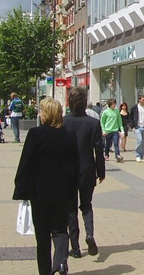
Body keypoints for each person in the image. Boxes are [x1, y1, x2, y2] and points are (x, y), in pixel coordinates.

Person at [13, 97, 79, 275]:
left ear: (47, 114)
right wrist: (74, 191)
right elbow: (75, 165)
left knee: (42, 236)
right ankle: (61, 263)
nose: (39, 114)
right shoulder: (69, 135)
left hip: (40, 192)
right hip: (63, 192)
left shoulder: (35, 134)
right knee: (60, 230)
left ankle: (45, 271)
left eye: (42, 111)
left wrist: (21, 188)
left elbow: (25, 163)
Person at [63, 87, 105, 259]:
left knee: (70, 209)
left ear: (70, 102)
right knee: (87, 205)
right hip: (87, 170)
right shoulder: (93, 123)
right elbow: (99, 150)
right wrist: (101, 171)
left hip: (68, 171)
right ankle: (90, 234)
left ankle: (75, 247)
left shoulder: (63, 122)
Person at [129, 95, 144, 163]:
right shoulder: (135, 107)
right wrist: (132, 126)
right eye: (143, 99)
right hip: (137, 127)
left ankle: (142, 156)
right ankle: (137, 155)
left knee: (143, 142)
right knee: (139, 140)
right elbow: (131, 117)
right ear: (139, 100)